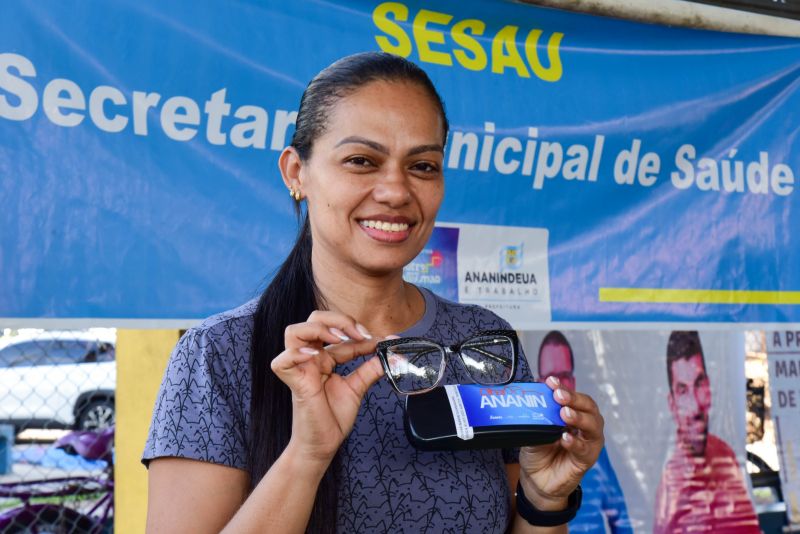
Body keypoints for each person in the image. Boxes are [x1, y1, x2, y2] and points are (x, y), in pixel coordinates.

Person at [142, 52, 604, 533]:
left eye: (423, 166)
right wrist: (308, 453)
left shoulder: (483, 342)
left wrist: (545, 497)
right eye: (361, 161)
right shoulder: (219, 355)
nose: (395, 191)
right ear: (296, 172)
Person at [653, 331, 759, 533]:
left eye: (699, 383)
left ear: (709, 388)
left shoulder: (724, 455)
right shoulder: (669, 481)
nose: (695, 404)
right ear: (672, 404)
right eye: (683, 390)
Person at [537, 331, 632, 533]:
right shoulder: (524, 448)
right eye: (551, 378)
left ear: (574, 380)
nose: (559, 386)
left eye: (564, 376)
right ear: (538, 382)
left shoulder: (591, 445)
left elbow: (621, 517)